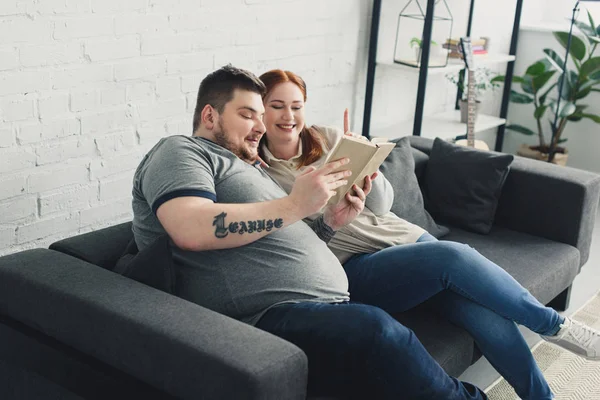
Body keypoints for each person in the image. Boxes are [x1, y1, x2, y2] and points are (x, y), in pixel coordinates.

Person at [132, 64, 492, 399]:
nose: (260, 126)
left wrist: (329, 223)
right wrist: (294, 205)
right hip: (266, 315)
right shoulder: (182, 151)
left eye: (261, 115)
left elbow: (278, 238)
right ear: (209, 115)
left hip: (323, 303)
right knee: (377, 330)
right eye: (247, 114)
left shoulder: (253, 167)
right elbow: (190, 227)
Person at [257, 68, 600, 400]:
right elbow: (300, 245)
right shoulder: (260, 175)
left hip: (407, 240)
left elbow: (381, 206)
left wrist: (368, 171)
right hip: (358, 266)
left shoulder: (328, 139)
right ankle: (553, 324)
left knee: (481, 308)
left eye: (296, 106)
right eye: (277, 106)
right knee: (455, 254)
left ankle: (541, 396)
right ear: (262, 110)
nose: (289, 116)